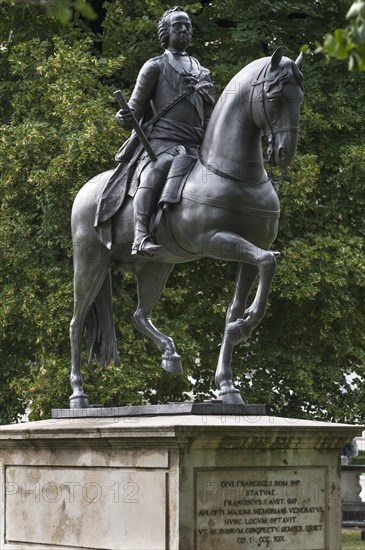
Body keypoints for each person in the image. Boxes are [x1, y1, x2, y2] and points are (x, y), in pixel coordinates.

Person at [114, 6, 215, 255]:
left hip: (195, 144)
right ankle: (140, 236)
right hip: (162, 141)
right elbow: (135, 108)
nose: (184, 30)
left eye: (188, 26)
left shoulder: (203, 73)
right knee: (156, 170)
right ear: (165, 32)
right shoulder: (154, 67)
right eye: (177, 26)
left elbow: (211, 114)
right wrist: (123, 117)